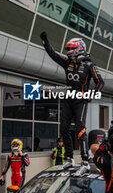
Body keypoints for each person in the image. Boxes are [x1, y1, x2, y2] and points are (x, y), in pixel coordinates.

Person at [40, 31, 104, 175]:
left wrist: (91, 95)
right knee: (63, 129)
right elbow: (54, 55)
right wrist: (45, 41)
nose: (68, 51)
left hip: (81, 101)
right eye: (67, 49)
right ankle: (69, 158)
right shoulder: (67, 62)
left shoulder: (89, 65)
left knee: (80, 129)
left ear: (78, 48)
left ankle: (85, 161)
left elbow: (100, 82)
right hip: (68, 99)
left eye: (70, 49)